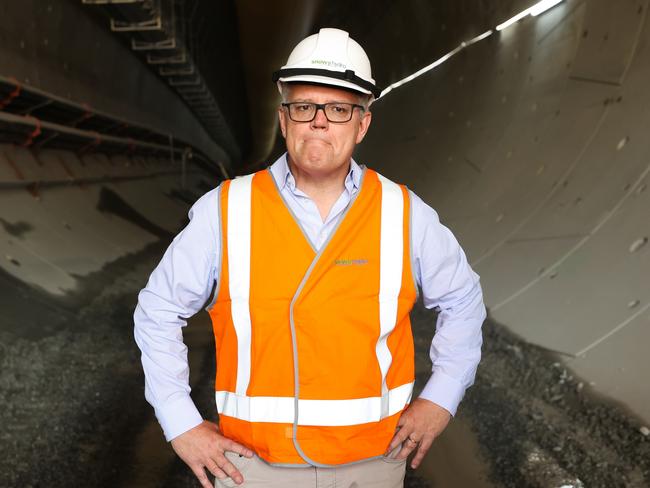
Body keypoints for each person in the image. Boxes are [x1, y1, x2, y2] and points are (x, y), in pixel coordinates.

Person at [134, 27, 486, 488]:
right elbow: (157, 309)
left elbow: (463, 300)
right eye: (304, 107)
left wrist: (440, 398)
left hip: (372, 464)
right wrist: (181, 423)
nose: (319, 121)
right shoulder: (227, 208)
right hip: (253, 468)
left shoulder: (403, 212)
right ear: (284, 120)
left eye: (338, 109)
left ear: (362, 124)